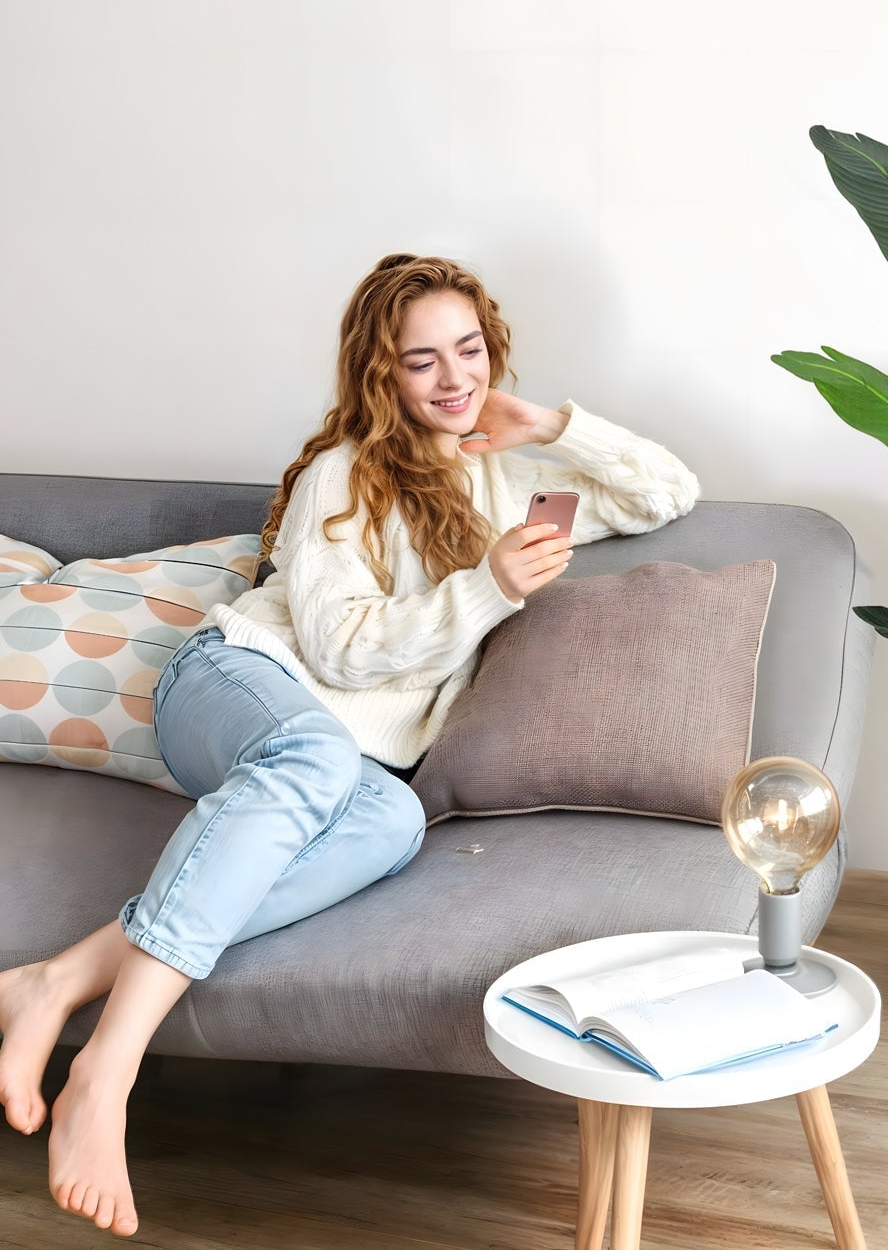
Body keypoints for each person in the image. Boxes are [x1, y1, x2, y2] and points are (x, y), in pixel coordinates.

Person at [0, 253, 700, 1237]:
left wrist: (548, 424)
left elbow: (669, 490)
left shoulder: (517, 477)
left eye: (468, 349)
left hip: (345, 758)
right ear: (384, 376)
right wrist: (489, 586)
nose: (453, 378)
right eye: (422, 362)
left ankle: (55, 978)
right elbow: (338, 648)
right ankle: (104, 1076)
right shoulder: (347, 473)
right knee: (322, 762)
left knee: (394, 818)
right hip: (234, 681)